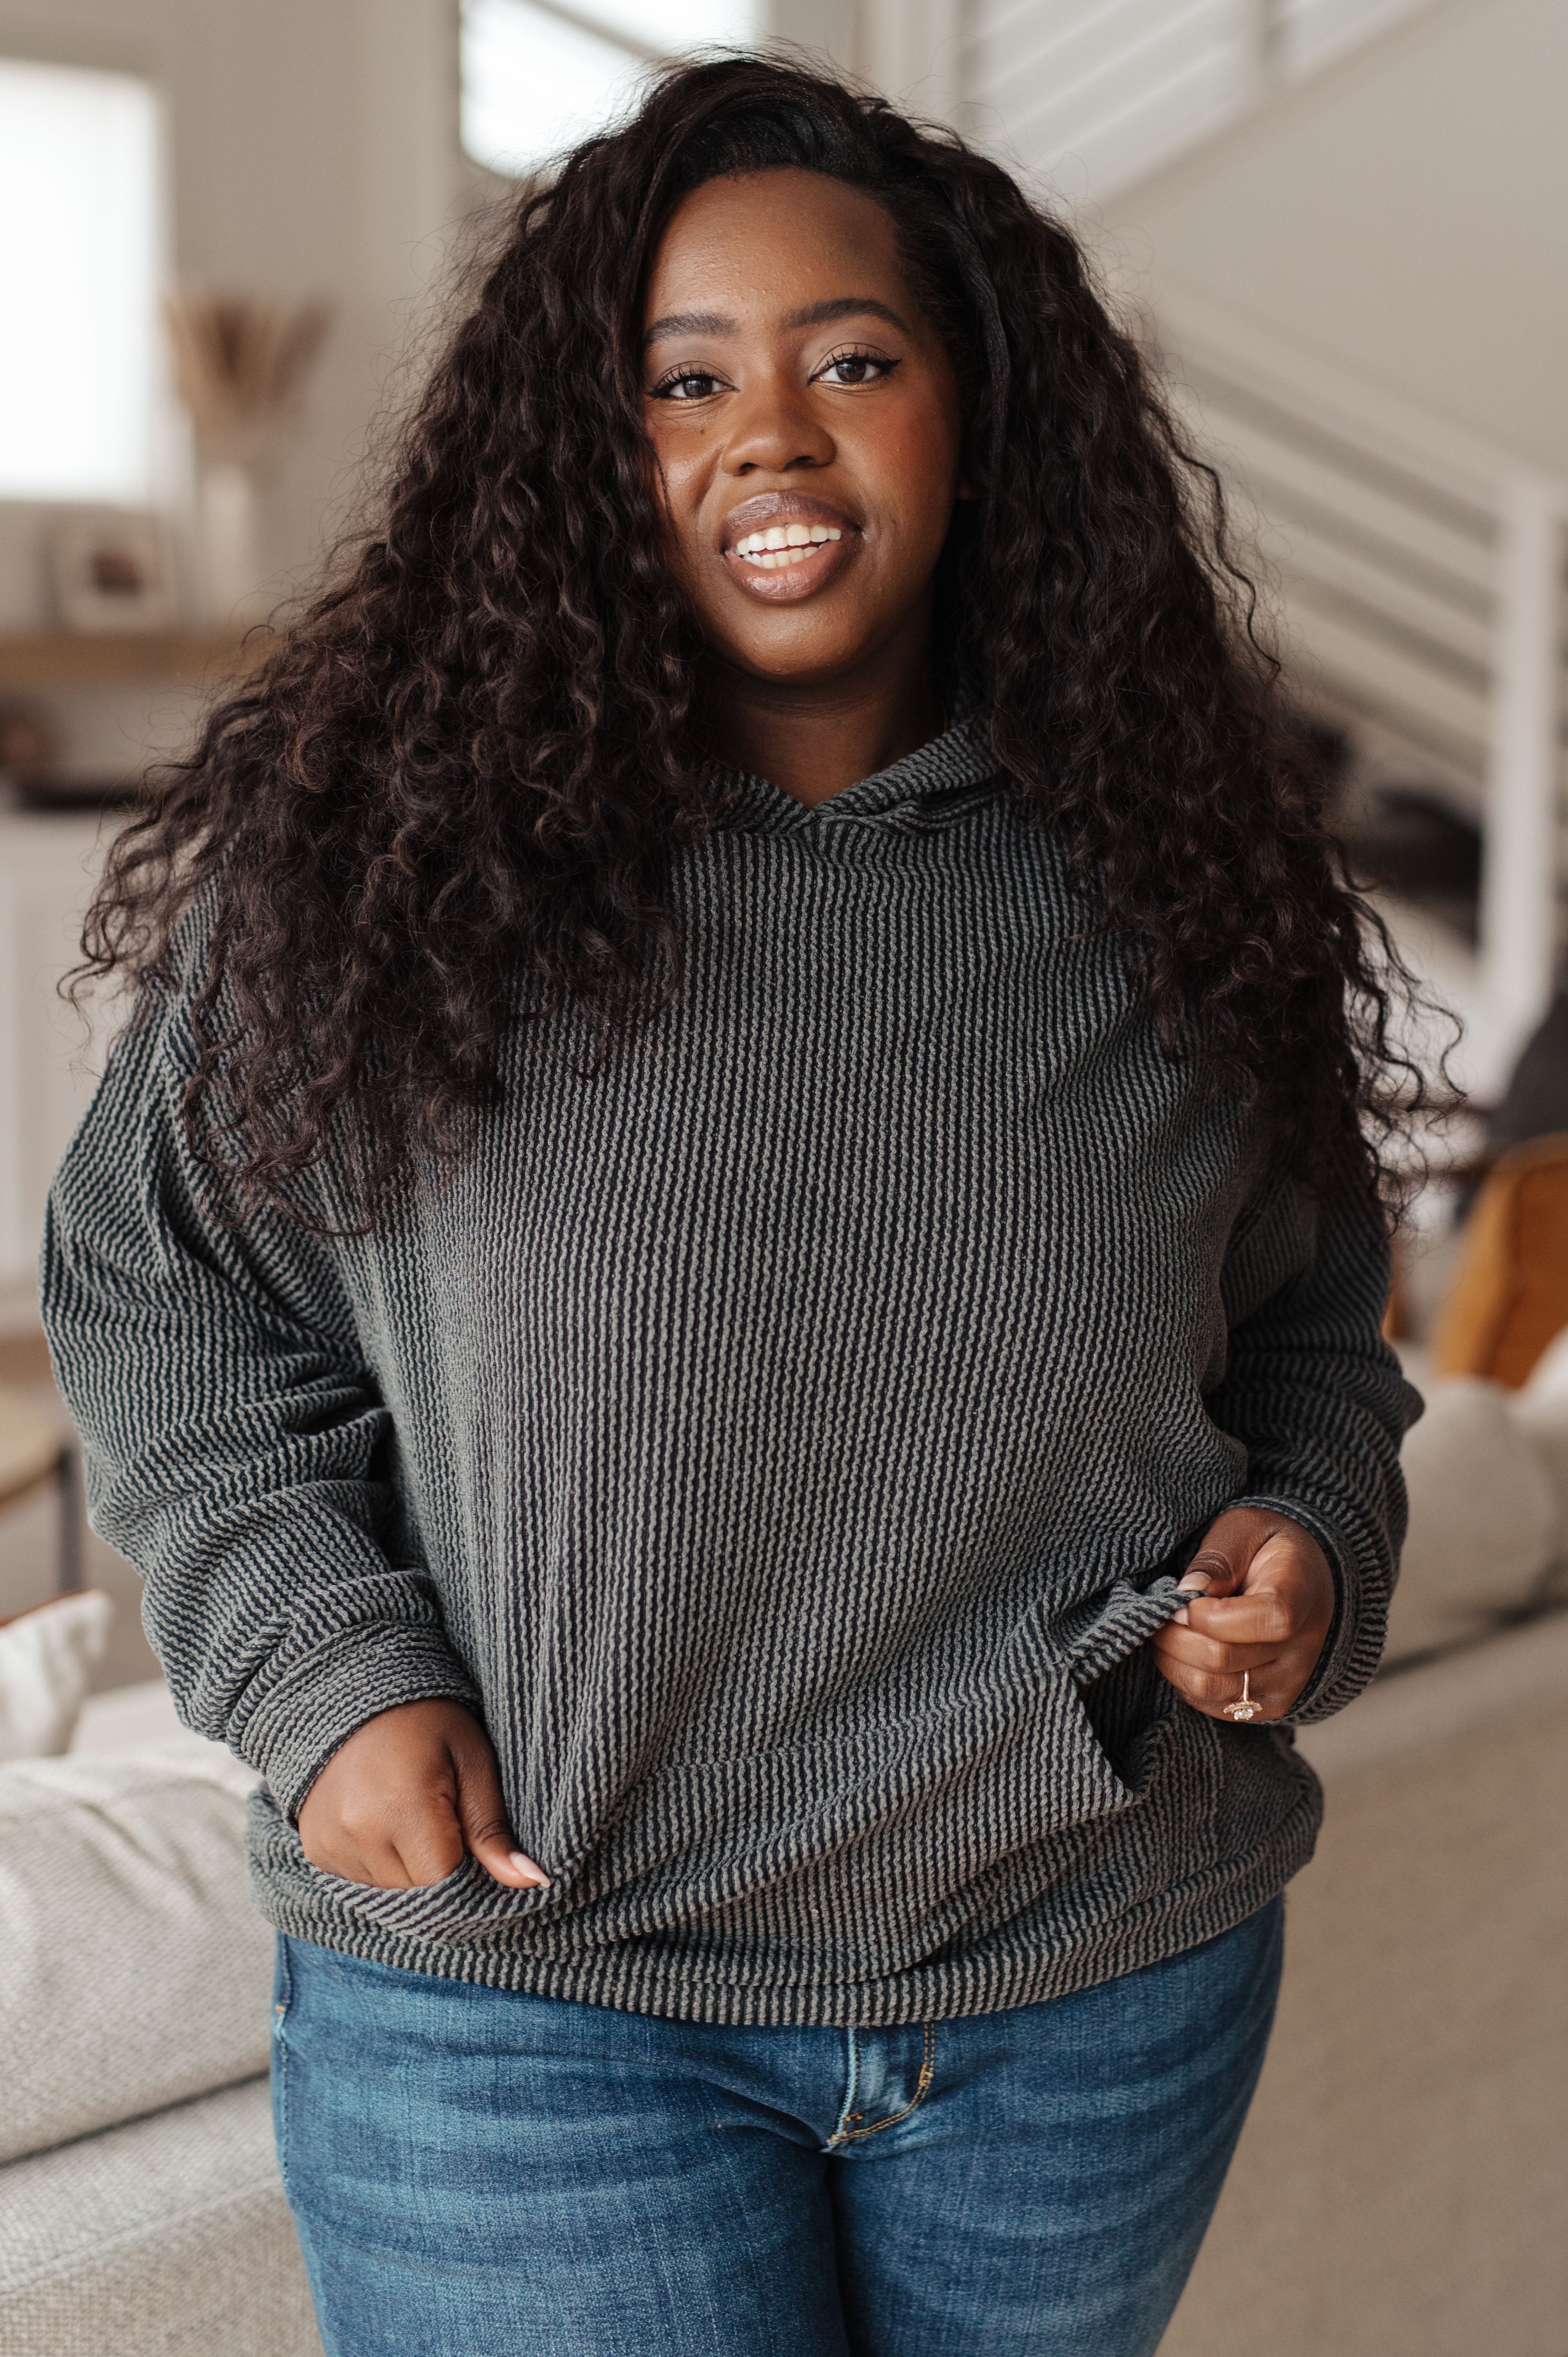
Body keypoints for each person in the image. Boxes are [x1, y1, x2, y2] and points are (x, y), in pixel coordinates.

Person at [41, 56, 1422, 2357]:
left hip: (1088, 1995)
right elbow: (164, 1299)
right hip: (530, 2006)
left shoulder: (1176, 877)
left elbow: (1306, 1343)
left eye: (852, 363)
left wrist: (1315, 1551)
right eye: (683, 379)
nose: (769, 439)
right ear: (592, 446)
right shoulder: (373, 861)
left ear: (978, 417)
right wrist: (319, 1669)